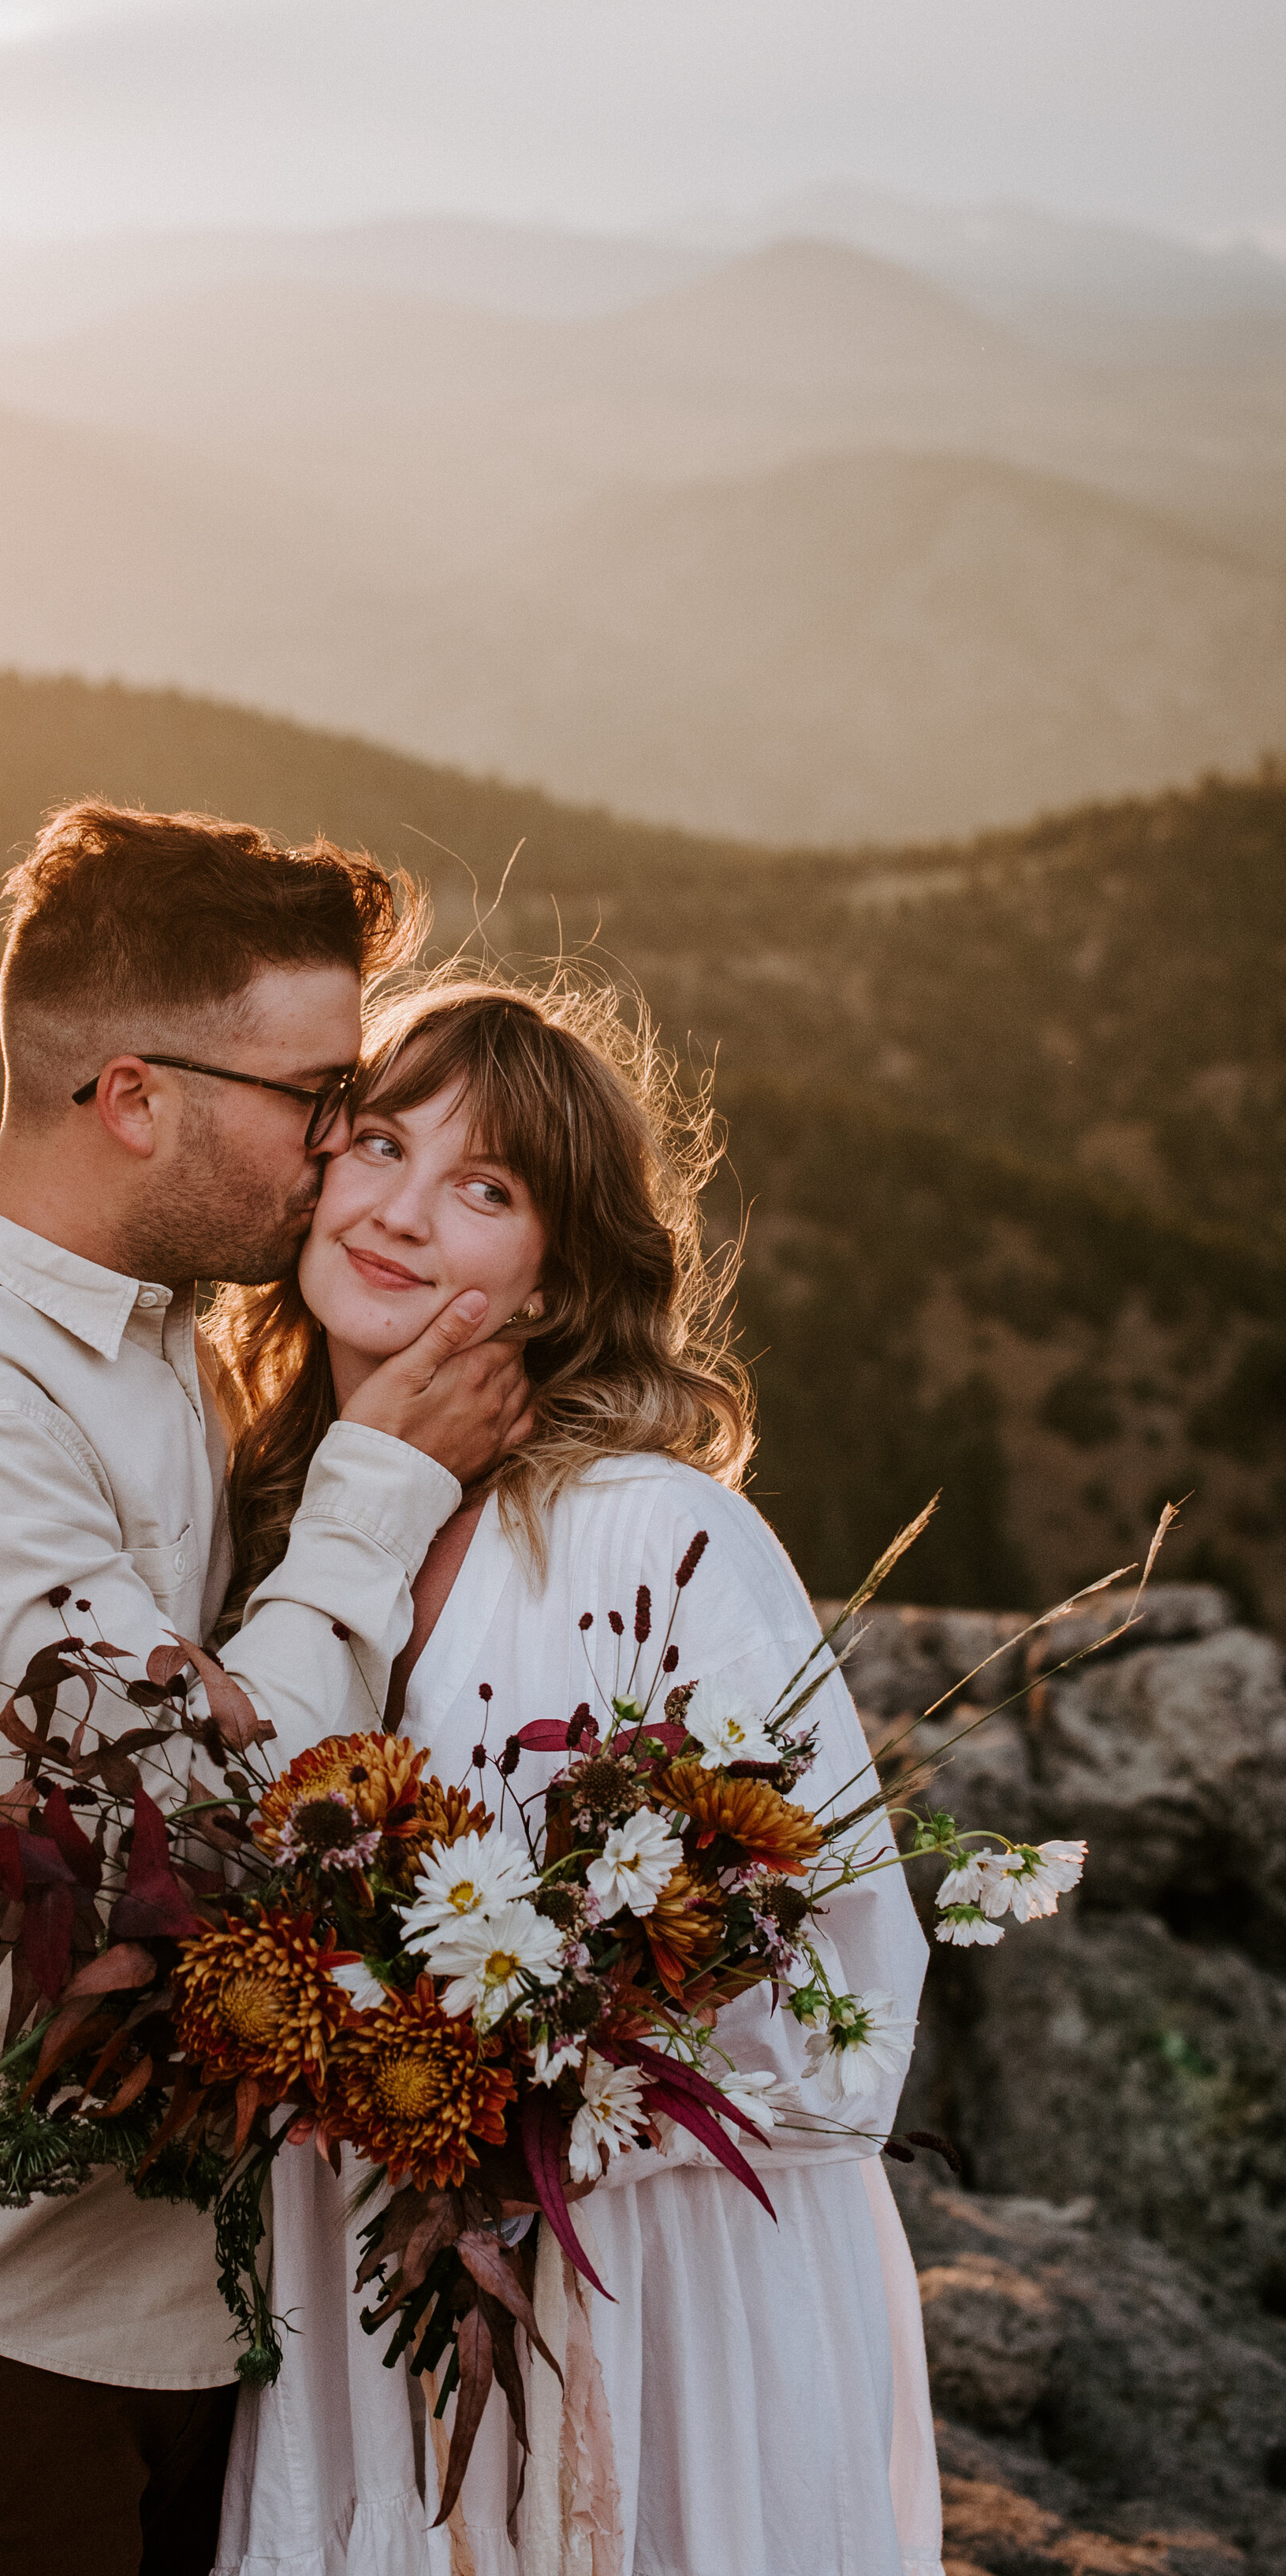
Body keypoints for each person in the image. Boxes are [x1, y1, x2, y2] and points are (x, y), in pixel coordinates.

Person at [0, 806, 535, 2576]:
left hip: (158, 2306)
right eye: (314, 1099)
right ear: (133, 1095)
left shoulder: (149, 1333)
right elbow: (179, 1827)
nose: (340, 1149)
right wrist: (375, 1488)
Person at [210, 977, 941, 2576]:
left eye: (483, 1189)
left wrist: (526, 2108)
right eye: (380, 1147)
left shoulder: (647, 1536)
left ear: (561, 1269)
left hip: (641, 2292)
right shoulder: (260, 1534)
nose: (400, 1213)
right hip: (358, 2285)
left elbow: (842, 1984)